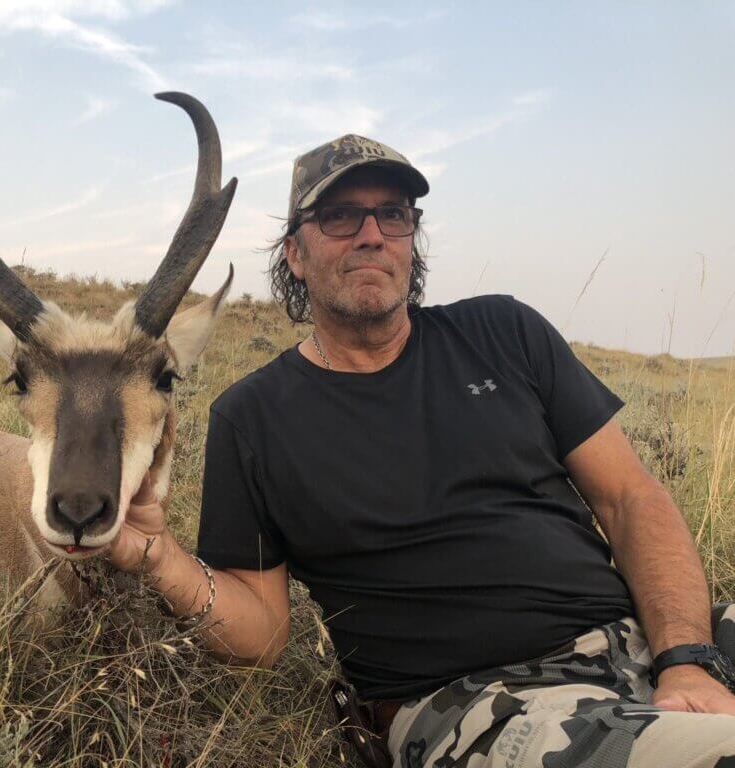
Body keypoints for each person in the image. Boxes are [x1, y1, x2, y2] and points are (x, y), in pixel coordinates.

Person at [106, 135, 735, 767]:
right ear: (295, 254)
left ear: (412, 238)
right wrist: (159, 557)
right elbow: (263, 634)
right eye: (341, 216)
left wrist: (686, 658)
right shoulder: (252, 418)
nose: (372, 233)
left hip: (651, 640)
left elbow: (630, 497)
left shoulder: (505, 332)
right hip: (486, 707)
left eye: (395, 214)